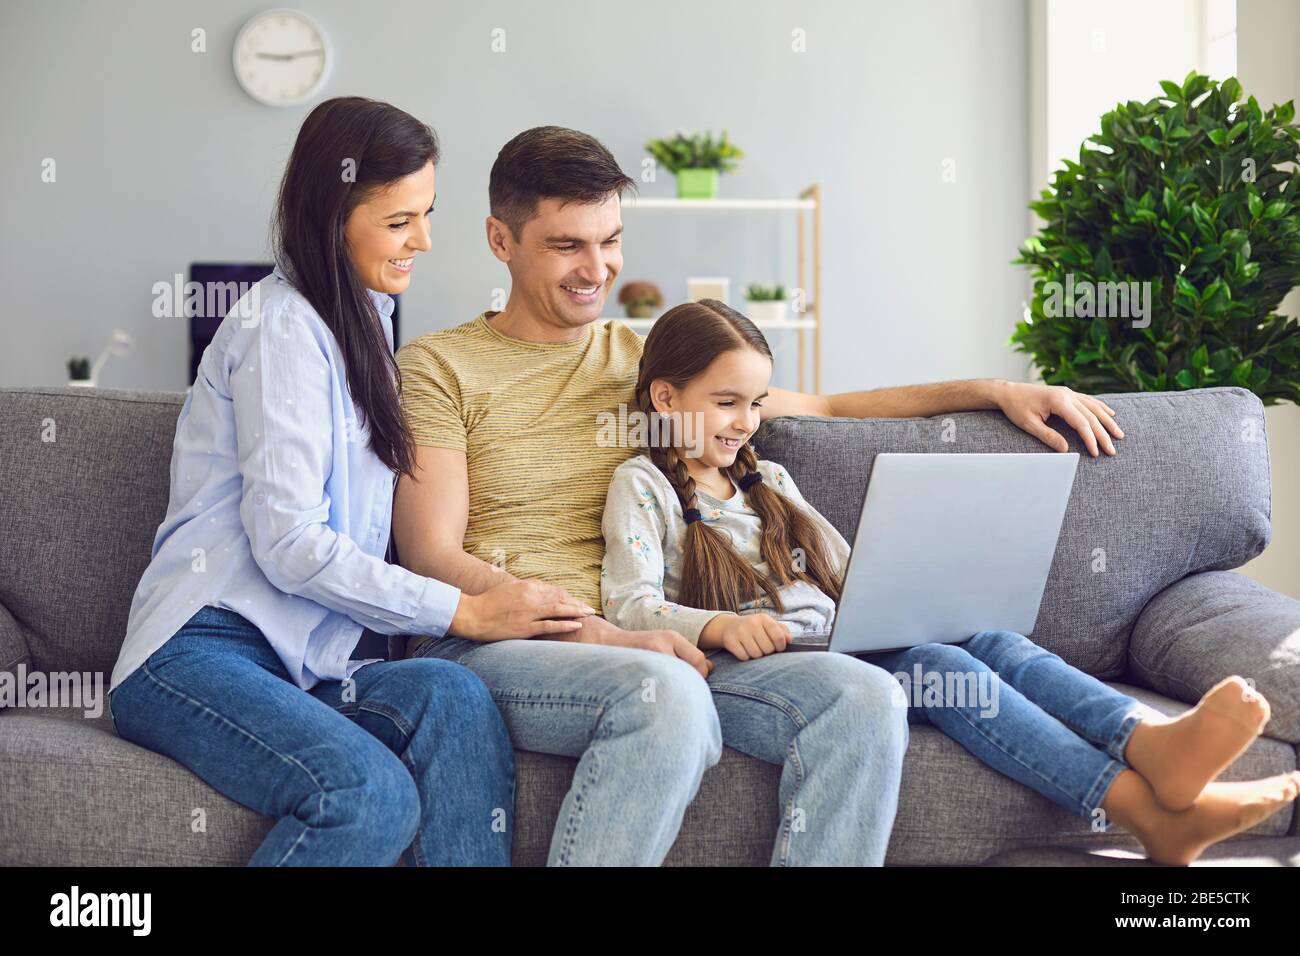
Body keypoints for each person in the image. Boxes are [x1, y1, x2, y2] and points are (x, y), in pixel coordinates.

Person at [393, 125, 1131, 865]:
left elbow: (832, 409)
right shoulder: (440, 366)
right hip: (504, 643)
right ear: (500, 239)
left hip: (663, 640)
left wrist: (996, 390)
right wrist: (596, 633)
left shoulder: (647, 362)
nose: (598, 269)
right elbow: (432, 553)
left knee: (865, 698)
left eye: (610, 240)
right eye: (567, 246)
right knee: (665, 697)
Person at [600, 298, 1300, 866]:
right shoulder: (641, 484)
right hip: (757, 671)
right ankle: (1144, 810)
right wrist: (719, 625)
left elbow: (851, 571)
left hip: (839, 644)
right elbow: (629, 604)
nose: (747, 423)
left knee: (989, 639)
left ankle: (1151, 745)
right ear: (666, 396)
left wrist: (914, 587)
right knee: (939, 666)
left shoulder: (771, 479)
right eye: (727, 403)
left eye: (756, 404)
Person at [108, 98, 593, 866]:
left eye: (426, 214)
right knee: (367, 792)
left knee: (451, 695)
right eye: (401, 221)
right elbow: (291, 545)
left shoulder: (359, 323)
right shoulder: (282, 329)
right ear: (334, 212)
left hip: (308, 664)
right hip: (200, 652)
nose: (424, 241)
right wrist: (464, 609)